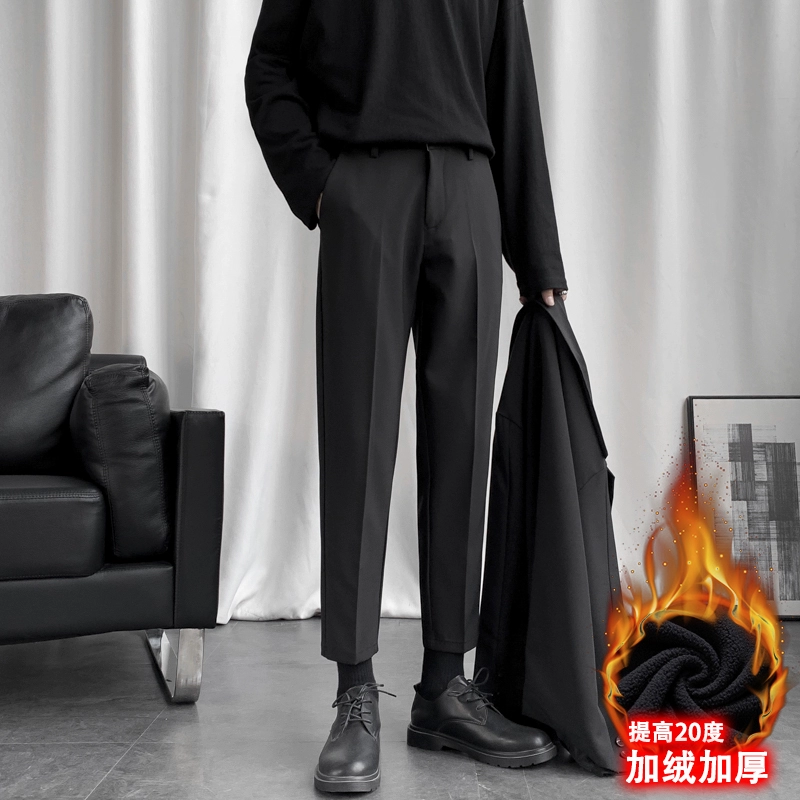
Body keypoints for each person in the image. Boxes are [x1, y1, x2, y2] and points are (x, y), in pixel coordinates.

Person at [245, 0, 568, 792]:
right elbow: (269, 69)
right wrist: (322, 186)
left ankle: (445, 688)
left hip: (471, 186)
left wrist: (539, 260)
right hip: (366, 187)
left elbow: (512, 90)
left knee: (462, 444)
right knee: (357, 440)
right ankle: (355, 692)